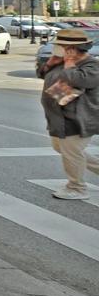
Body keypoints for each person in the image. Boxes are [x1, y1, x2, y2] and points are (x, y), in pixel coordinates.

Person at [36, 28, 99, 200]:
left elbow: (79, 80)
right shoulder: (59, 61)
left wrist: (70, 63)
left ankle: (77, 188)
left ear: (73, 48)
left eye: (60, 45)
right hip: (58, 117)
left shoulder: (91, 64)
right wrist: (50, 62)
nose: (56, 47)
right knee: (62, 148)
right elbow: (41, 74)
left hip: (78, 118)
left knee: (71, 152)